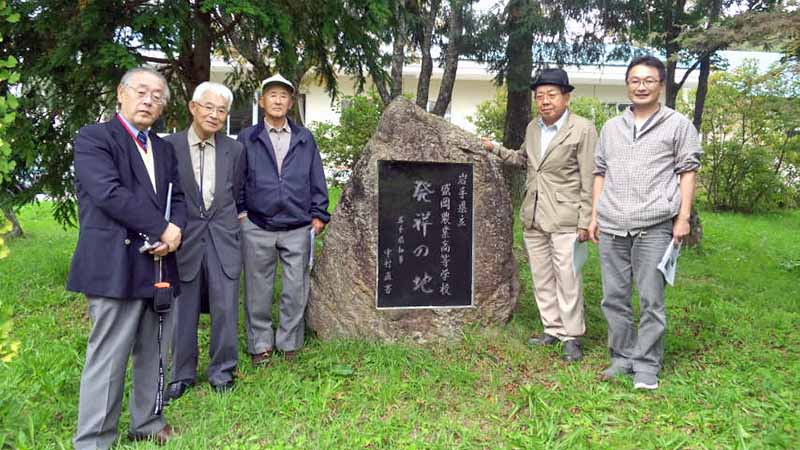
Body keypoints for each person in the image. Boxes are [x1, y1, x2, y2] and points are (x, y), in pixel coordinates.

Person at [68, 66, 185, 449]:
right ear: (121, 93)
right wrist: (160, 228)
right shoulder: (94, 138)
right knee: (109, 357)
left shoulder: (164, 148)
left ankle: (148, 422)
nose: (149, 100)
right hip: (113, 264)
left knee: (155, 350)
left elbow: (178, 198)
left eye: (157, 96)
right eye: (141, 91)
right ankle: (95, 439)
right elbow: (109, 193)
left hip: (159, 264)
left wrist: (175, 231)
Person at [588, 55, 702, 390]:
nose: (641, 86)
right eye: (635, 80)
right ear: (627, 84)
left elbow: (687, 172)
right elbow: (600, 173)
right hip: (611, 225)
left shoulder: (677, 125)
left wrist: (683, 218)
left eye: (649, 80)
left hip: (654, 225)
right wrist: (595, 215)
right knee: (614, 297)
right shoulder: (611, 127)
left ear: (660, 85)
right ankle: (622, 358)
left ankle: (647, 364)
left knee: (652, 299)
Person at [482, 68, 597, 362]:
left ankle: (572, 335)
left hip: (567, 217)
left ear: (566, 97)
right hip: (533, 214)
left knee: (568, 276)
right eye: (540, 96)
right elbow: (523, 159)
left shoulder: (582, 129)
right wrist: (494, 148)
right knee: (542, 276)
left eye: (552, 95)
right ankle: (552, 329)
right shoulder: (534, 128)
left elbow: (590, 177)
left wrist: (587, 219)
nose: (545, 101)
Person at [237, 74, 330, 365]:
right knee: (258, 289)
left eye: (283, 96)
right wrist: (241, 213)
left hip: (297, 224)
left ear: (291, 102)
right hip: (257, 224)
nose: (278, 100)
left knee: (295, 287)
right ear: (262, 101)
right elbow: (237, 178)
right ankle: (260, 345)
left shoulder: (304, 137)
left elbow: (317, 175)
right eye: (272, 95)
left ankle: (289, 343)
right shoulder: (247, 137)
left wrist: (319, 213)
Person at [163, 82, 245, 402]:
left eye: (221, 110)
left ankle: (222, 371)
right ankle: (181, 374)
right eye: (208, 107)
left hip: (223, 237)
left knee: (225, 307)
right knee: (183, 309)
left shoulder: (234, 149)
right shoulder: (169, 146)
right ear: (193, 108)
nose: (215, 115)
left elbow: (234, 191)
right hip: (185, 239)